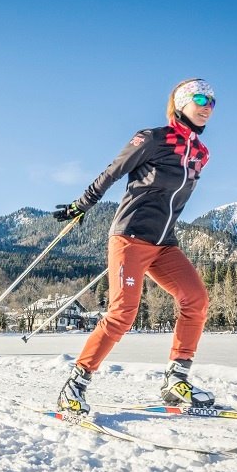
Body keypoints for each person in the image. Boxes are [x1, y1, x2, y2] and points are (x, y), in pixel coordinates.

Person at [53, 78, 218, 414]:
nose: (207, 107)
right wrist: (82, 204)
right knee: (123, 314)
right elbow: (114, 171)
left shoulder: (200, 153)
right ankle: (76, 383)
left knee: (196, 299)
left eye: (213, 102)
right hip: (130, 237)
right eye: (200, 99)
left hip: (164, 243)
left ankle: (176, 381)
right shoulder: (152, 138)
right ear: (180, 102)